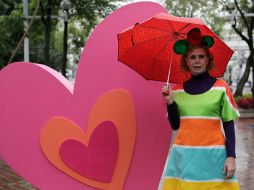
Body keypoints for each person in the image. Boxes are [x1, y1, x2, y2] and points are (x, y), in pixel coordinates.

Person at [161, 28, 240, 190]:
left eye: (201, 57)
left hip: (214, 157)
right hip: (184, 158)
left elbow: (229, 125)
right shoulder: (177, 90)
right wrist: (170, 102)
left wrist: (231, 157)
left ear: (207, 60)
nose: (197, 61)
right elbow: (175, 125)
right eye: (192, 57)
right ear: (187, 61)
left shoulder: (221, 88)